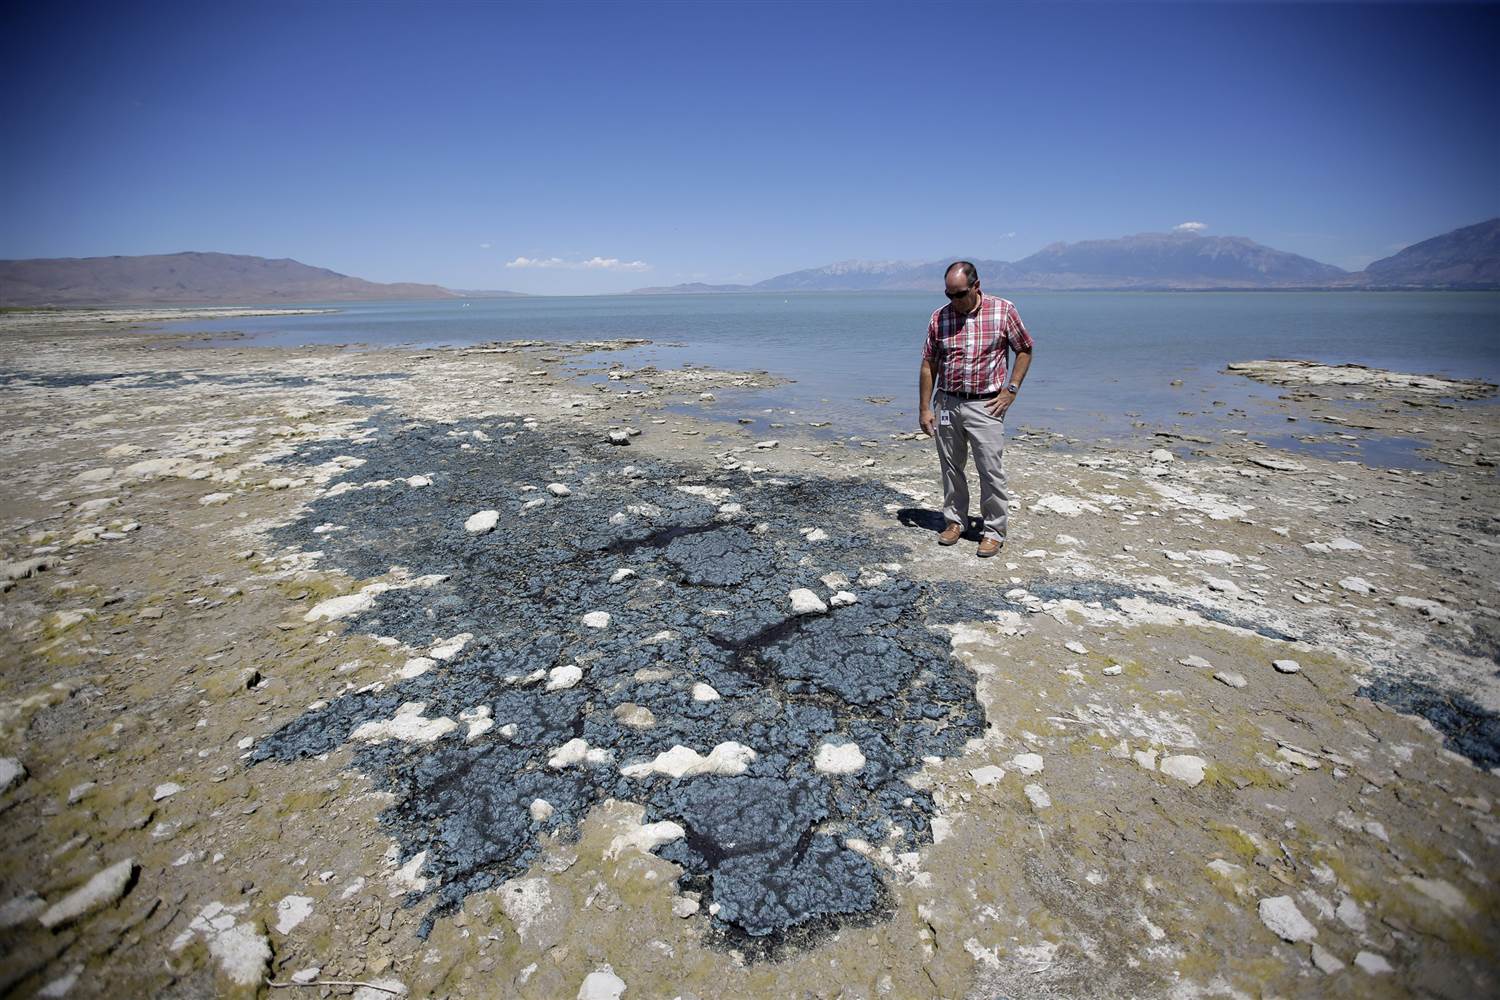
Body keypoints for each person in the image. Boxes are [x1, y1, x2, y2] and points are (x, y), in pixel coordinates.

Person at [918, 261, 1034, 558]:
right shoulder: (939, 318)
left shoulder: (1003, 310)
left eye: (959, 294)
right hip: (947, 402)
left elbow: (1024, 348)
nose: (953, 301)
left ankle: (994, 531)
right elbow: (929, 365)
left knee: (990, 470)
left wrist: (1012, 390)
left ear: (976, 286)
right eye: (948, 294)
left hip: (987, 404)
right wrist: (924, 408)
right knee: (951, 467)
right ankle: (955, 522)